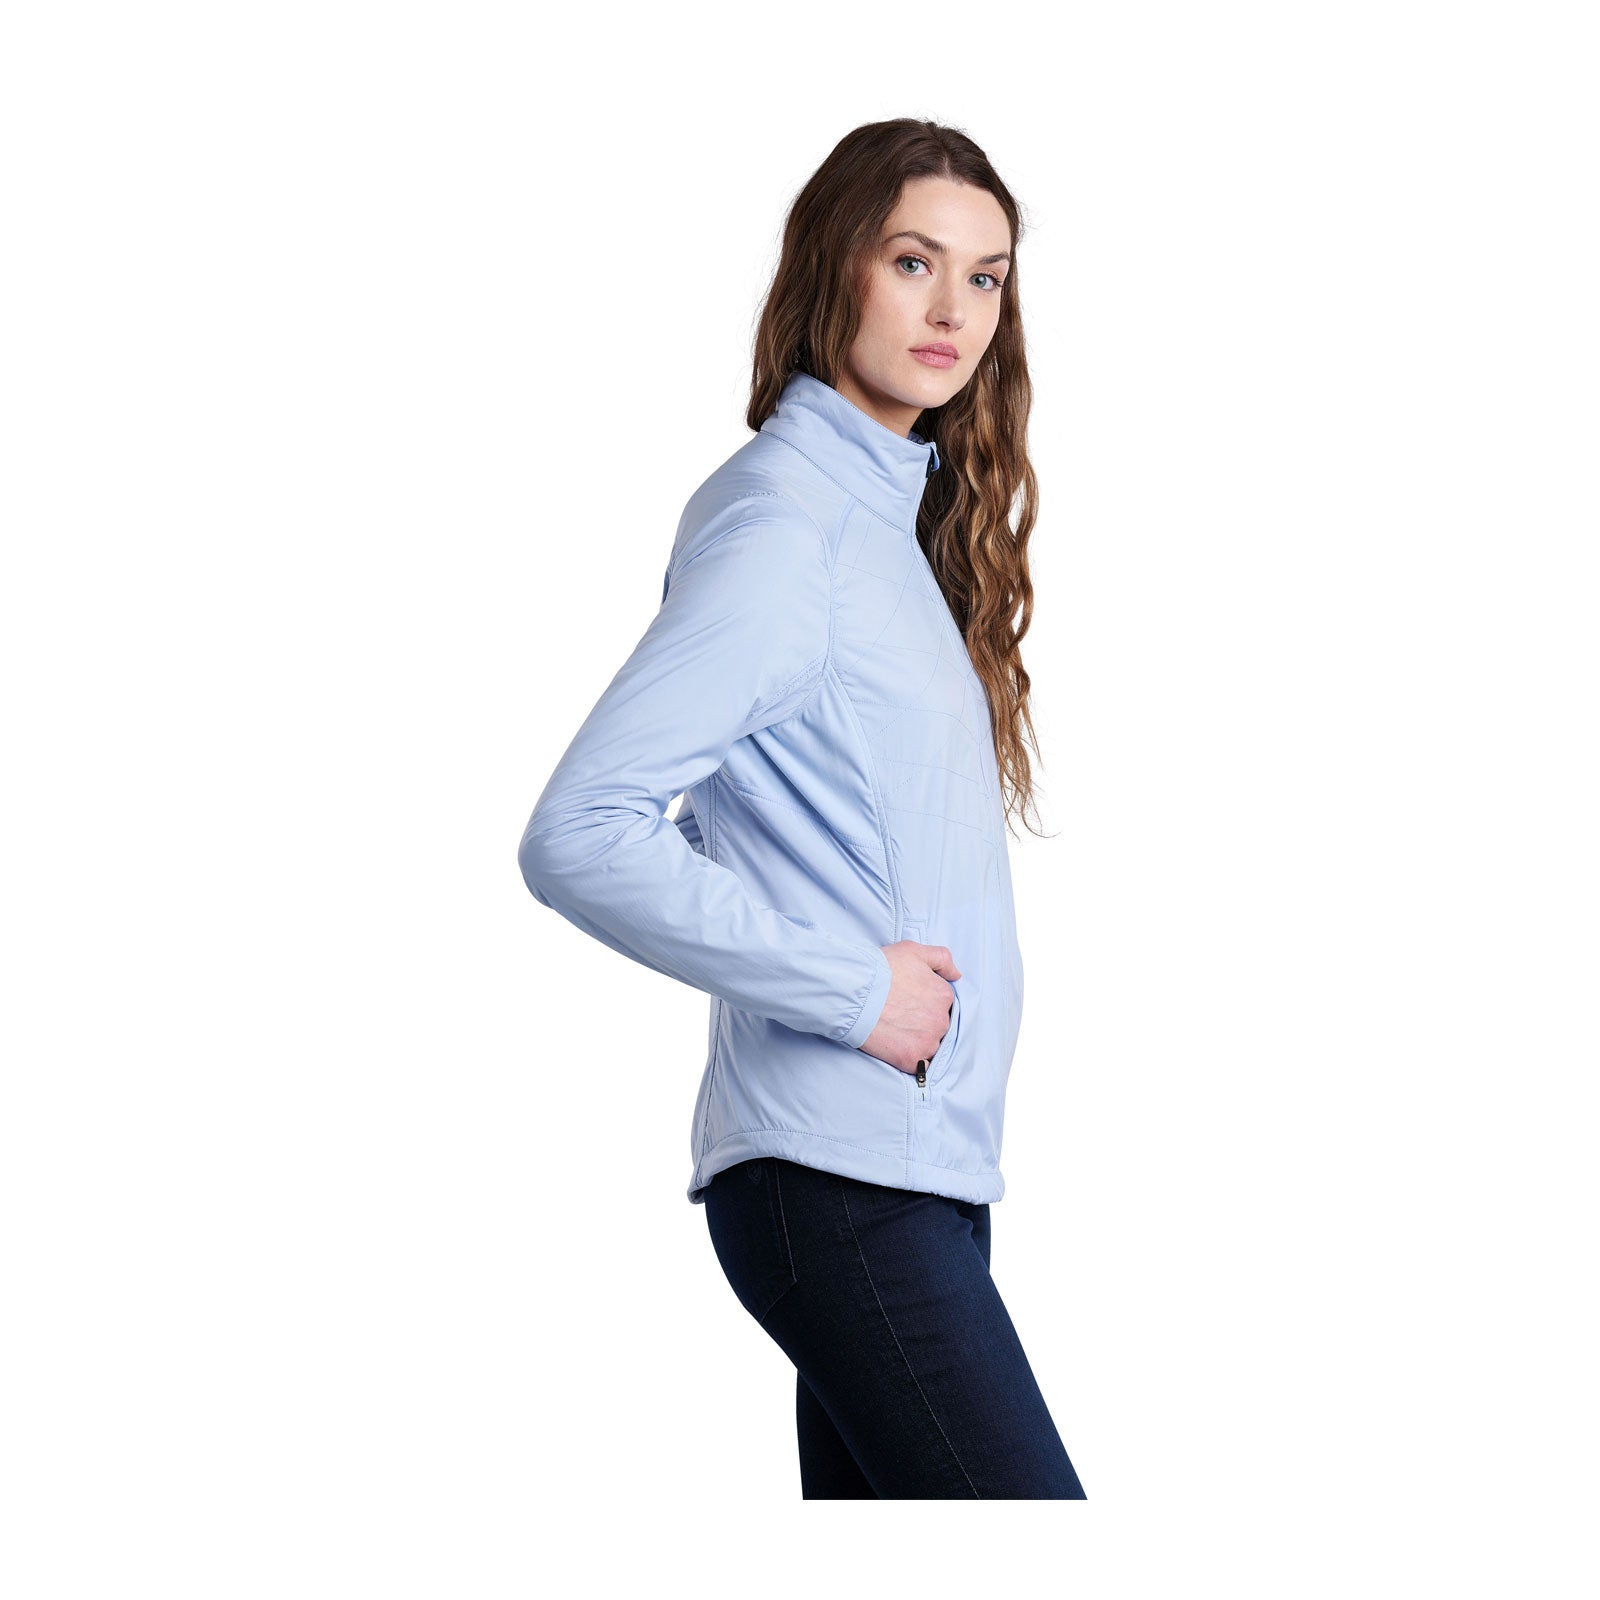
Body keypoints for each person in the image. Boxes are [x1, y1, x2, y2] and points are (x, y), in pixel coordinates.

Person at [517, 118, 1086, 1500]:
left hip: (910, 1169)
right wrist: (853, 988)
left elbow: (756, 819)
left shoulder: (876, 525)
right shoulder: (790, 527)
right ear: (837, 265)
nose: (954, 311)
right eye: (915, 261)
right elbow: (581, 829)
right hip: (844, 1179)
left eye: (986, 277)